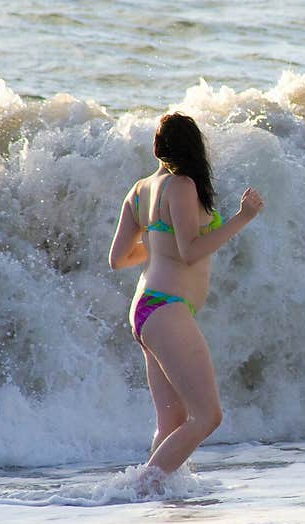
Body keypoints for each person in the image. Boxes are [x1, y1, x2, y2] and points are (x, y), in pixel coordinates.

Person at [108, 112, 263, 482]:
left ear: (158, 147)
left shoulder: (140, 189)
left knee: (173, 421)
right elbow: (191, 251)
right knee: (208, 416)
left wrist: (157, 246)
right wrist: (242, 217)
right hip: (166, 308)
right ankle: (142, 486)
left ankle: (165, 502)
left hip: (146, 308)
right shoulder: (181, 185)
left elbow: (118, 259)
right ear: (194, 147)